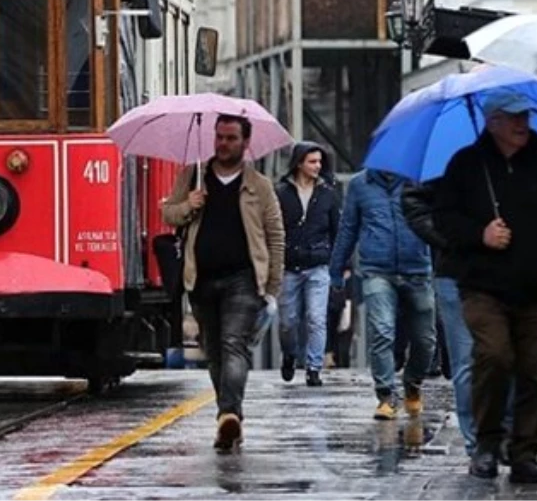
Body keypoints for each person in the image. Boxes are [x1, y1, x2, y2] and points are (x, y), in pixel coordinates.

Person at [434, 90, 537, 484]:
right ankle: (486, 443)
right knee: (494, 356)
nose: (522, 123)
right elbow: (444, 220)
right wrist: (479, 234)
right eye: (512, 117)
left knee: (536, 372)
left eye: (525, 116)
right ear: (492, 121)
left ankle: (525, 453)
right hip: (484, 287)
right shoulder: (465, 165)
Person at [161, 115, 284, 452]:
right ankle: (230, 418)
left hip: (242, 279)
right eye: (219, 137)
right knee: (214, 352)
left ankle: (228, 413)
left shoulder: (259, 186)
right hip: (200, 279)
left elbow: (275, 237)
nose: (223, 144)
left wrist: (271, 288)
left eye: (231, 138)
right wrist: (190, 204)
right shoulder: (194, 175)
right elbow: (168, 214)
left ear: (245, 143)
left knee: (233, 345)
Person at [329, 168, 434, 421]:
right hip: (377, 270)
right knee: (382, 330)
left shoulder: (418, 180)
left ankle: (413, 382)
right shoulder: (359, 185)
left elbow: (437, 221)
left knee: (425, 340)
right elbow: (348, 228)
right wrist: (336, 268)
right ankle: (386, 395)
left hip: (417, 271)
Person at [274, 141, 341, 386]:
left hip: (318, 265)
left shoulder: (328, 194)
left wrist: (339, 263)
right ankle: (290, 354)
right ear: (299, 163)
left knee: (316, 318)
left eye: (320, 162)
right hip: (289, 266)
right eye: (312, 161)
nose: (317, 166)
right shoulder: (281, 192)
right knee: (288, 322)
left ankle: (314, 367)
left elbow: (337, 230)